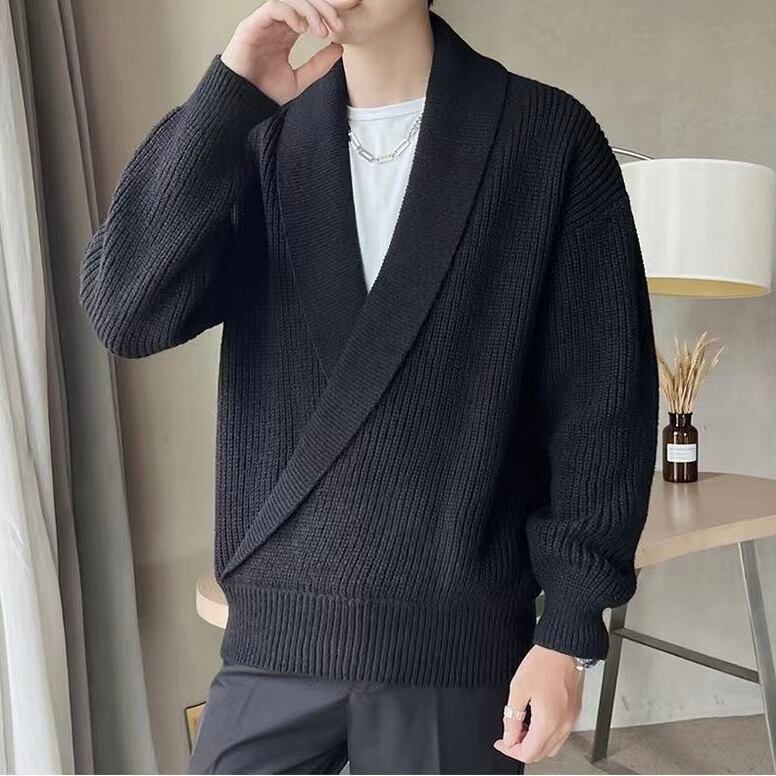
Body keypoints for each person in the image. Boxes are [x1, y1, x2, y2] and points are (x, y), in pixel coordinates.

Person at [79, 0, 659, 773]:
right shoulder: (258, 137)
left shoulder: (546, 138)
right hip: (275, 632)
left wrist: (568, 633)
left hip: (453, 643)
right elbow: (126, 312)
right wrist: (231, 90)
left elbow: (599, 405)